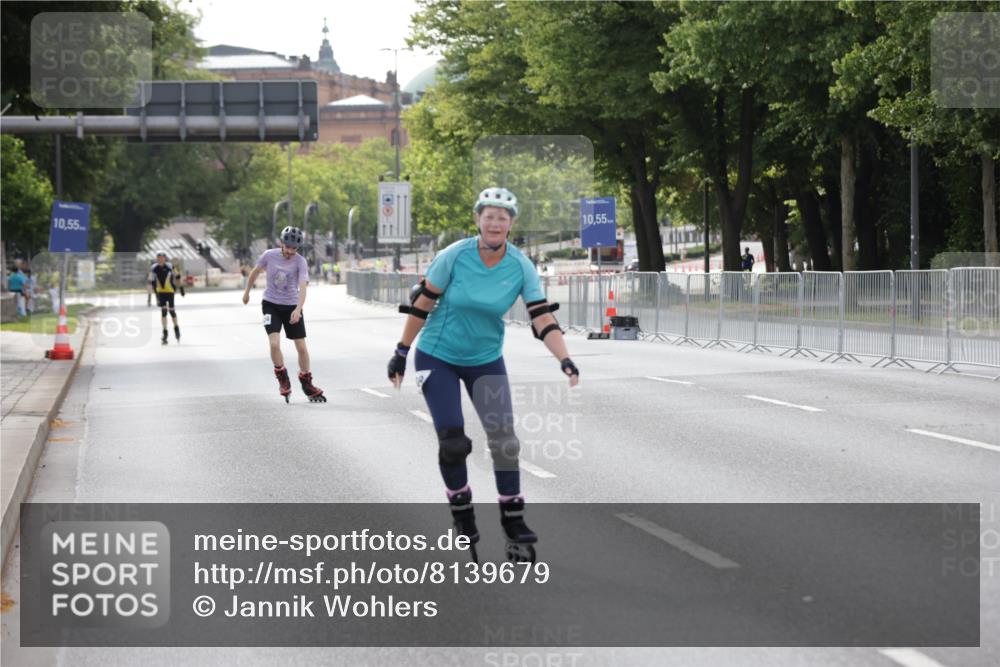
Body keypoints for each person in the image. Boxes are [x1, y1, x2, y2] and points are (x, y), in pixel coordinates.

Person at [387, 187, 580, 563]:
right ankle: (463, 518)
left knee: (505, 440)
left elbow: (541, 315)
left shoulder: (520, 265)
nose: (494, 223)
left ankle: (513, 522)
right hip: (438, 357)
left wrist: (565, 358)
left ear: (511, 224)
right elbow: (423, 302)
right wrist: (401, 352)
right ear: (478, 219)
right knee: (454, 442)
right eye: (488, 215)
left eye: (502, 217)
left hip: (485, 359)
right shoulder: (454, 256)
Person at [242, 226, 326, 403]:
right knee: (274, 343)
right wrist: (247, 292)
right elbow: (254, 273)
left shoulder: (300, 262)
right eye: (288, 247)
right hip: (270, 304)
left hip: (291, 306)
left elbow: (303, 288)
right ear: (282, 244)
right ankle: (282, 376)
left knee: (301, 347)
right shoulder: (268, 255)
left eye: (294, 248)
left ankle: (306, 381)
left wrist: (298, 308)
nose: (290, 251)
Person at [149, 252, 184, 344]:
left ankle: (176, 327)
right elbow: (152, 282)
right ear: (157, 259)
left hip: (170, 292)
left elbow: (177, 276)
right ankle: (165, 333)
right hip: (160, 292)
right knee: (163, 312)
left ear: (165, 258)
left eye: (162, 257)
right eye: (158, 257)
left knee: (171, 311)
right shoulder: (154, 268)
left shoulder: (170, 266)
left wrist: (181, 288)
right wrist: (154, 296)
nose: (160, 259)